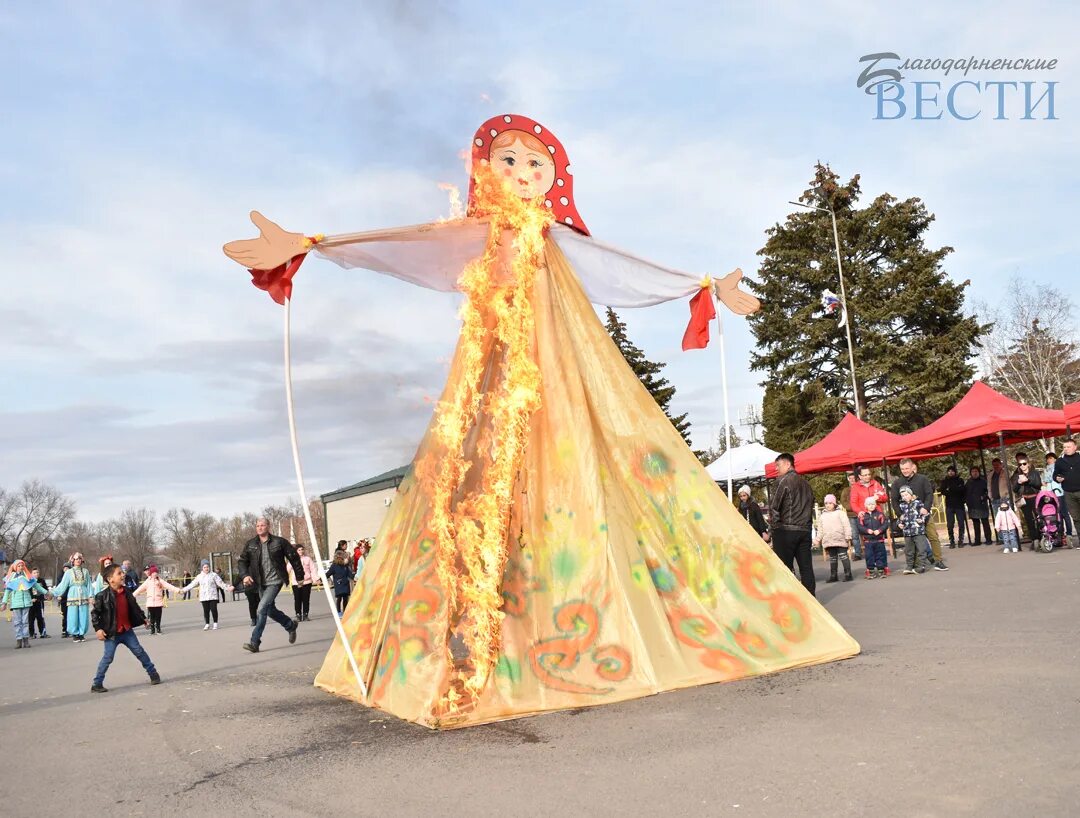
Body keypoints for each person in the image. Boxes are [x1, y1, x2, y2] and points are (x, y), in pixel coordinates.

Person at [90, 564, 160, 693]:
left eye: (122, 573)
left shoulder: (126, 591)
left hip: (127, 631)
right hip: (111, 634)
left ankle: (153, 674)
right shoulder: (102, 596)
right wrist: (98, 629)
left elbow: (135, 607)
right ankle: (97, 683)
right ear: (110, 579)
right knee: (108, 658)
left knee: (139, 651)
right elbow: (95, 613)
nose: (123, 575)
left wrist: (143, 618)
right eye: (119, 573)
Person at [238, 517, 305, 653]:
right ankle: (290, 625)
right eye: (258, 526)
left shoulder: (279, 542)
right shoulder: (251, 544)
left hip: (275, 581)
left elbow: (294, 557)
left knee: (261, 609)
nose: (260, 528)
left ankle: (255, 642)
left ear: (268, 526)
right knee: (270, 610)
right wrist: (245, 575)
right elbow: (242, 561)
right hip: (260, 582)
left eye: (262, 525)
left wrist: (300, 577)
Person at [767, 453, 816, 596]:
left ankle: (787, 598)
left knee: (784, 568)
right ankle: (811, 598)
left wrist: (774, 529)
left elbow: (774, 506)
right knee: (806, 567)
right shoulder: (806, 484)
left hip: (786, 530)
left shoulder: (782, 481)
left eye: (778, 465)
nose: (776, 469)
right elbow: (810, 506)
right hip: (804, 530)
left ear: (788, 464)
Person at [890, 458, 948, 570]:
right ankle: (917, 564)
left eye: (907, 468)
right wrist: (900, 514)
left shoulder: (922, 479)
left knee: (933, 537)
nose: (905, 471)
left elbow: (929, 494)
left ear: (912, 467)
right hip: (908, 517)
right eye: (902, 469)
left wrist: (926, 508)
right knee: (912, 541)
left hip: (924, 515)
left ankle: (938, 561)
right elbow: (894, 500)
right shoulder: (897, 483)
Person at [1, 560, 51, 648]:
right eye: (19, 566)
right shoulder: (11, 578)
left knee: (25, 622)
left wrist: (46, 592)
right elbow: (7, 591)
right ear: (15, 567)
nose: (20, 567)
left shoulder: (27, 577)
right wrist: (4, 603)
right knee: (17, 622)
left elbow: (37, 586)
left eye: (22, 566)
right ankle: (19, 640)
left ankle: (26, 640)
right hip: (16, 604)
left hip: (26, 602)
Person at [51, 552, 95, 642]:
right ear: (73, 561)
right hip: (73, 595)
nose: (78, 560)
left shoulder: (85, 571)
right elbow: (62, 585)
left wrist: (91, 596)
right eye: (76, 559)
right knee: (73, 615)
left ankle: (81, 633)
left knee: (83, 615)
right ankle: (75, 633)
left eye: (79, 559)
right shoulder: (68, 572)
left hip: (83, 595)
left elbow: (89, 585)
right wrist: (52, 593)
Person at [179, 560, 232, 631]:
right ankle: (207, 624)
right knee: (206, 611)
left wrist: (227, 588)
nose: (206, 568)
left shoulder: (214, 575)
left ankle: (215, 623)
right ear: (202, 568)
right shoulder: (199, 576)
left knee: (214, 609)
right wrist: (184, 590)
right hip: (204, 596)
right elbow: (192, 584)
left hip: (213, 595)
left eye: (207, 567)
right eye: (204, 567)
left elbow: (220, 583)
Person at [814, 494, 852, 583]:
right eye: (826, 503)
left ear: (834, 504)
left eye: (830, 503)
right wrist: (817, 539)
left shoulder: (840, 513)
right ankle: (833, 575)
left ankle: (848, 574)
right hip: (829, 540)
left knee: (843, 556)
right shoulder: (822, 516)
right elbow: (820, 530)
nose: (828, 505)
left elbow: (846, 525)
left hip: (840, 538)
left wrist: (848, 536)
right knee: (833, 558)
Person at [134, 566, 182, 634]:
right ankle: (152, 630)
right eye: (153, 572)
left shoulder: (160, 581)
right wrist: (131, 596)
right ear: (151, 573)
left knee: (158, 617)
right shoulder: (147, 582)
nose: (155, 574)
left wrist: (178, 590)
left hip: (158, 602)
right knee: (152, 617)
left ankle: (158, 629)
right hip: (150, 602)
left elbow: (169, 586)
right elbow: (139, 589)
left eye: (156, 572)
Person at [897, 485, 933, 575]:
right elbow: (900, 518)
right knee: (909, 550)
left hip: (918, 531)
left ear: (910, 493)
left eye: (906, 495)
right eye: (903, 496)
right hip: (907, 531)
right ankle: (909, 566)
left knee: (921, 549)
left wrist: (922, 519)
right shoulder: (902, 506)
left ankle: (921, 566)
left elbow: (925, 513)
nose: (905, 497)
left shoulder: (918, 503)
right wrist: (899, 523)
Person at [1053, 439, 1080, 544]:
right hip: (1068, 493)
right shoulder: (1060, 461)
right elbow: (1055, 475)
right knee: (1076, 518)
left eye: (1068, 447)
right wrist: (1057, 478)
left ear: (1075, 447)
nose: (1066, 449)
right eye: (1064, 447)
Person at [1043, 452, 1075, 540]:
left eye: (1051, 458)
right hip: (1051, 494)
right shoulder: (1046, 469)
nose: (1049, 460)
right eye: (1048, 459)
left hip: (1060, 492)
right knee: (1057, 514)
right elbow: (1045, 481)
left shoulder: (1059, 467)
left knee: (1064, 513)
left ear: (1055, 459)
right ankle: (1060, 534)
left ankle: (1069, 533)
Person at [857, 497, 889, 579]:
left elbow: (885, 524)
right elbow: (860, 526)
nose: (871, 506)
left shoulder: (880, 514)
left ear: (875, 505)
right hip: (868, 541)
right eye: (869, 504)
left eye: (872, 504)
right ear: (865, 505)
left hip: (879, 540)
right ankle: (871, 571)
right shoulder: (862, 516)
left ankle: (881, 570)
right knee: (869, 556)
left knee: (880, 555)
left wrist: (879, 530)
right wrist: (867, 530)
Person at [939, 466, 968, 548]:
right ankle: (951, 540)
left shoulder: (960, 480)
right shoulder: (945, 481)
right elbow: (943, 491)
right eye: (949, 471)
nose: (950, 472)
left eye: (952, 471)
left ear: (955, 472)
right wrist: (953, 490)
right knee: (950, 524)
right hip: (949, 505)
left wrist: (951, 489)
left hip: (959, 504)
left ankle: (961, 540)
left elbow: (962, 490)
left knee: (961, 523)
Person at [288, 543, 317, 622]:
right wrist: (285, 579)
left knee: (306, 599)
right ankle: (298, 614)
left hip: (307, 582)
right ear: (296, 551)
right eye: (299, 550)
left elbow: (313, 569)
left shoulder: (308, 559)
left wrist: (315, 579)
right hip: (296, 582)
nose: (301, 551)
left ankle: (305, 614)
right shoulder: (292, 559)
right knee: (297, 599)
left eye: (302, 549)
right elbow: (287, 570)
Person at [838, 472, 863, 560]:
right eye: (850, 478)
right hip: (851, 515)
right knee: (855, 535)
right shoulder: (846, 490)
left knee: (866, 533)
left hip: (861, 514)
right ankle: (858, 554)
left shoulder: (860, 488)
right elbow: (843, 502)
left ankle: (869, 551)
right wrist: (853, 507)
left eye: (854, 478)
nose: (852, 480)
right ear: (848, 479)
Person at [964, 466, 991, 546]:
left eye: (976, 471)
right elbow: (966, 493)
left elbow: (988, 491)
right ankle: (977, 540)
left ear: (979, 472)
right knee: (976, 524)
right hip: (972, 505)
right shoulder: (968, 482)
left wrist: (984, 497)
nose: (975, 473)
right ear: (971, 473)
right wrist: (967, 501)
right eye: (973, 471)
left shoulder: (983, 481)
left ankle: (988, 539)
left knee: (985, 523)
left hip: (982, 504)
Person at [989, 457, 1010, 539]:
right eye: (994, 465)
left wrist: (1008, 495)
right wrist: (990, 496)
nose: (996, 466)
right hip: (995, 499)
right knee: (998, 519)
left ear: (1001, 465)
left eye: (997, 465)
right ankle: (1001, 537)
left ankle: (1010, 535)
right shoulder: (991, 474)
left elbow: (1010, 485)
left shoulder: (1005, 473)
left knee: (1006, 518)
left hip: (1004, 498)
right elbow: (989, 485)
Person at [27, 567, 51, 639]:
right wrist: (31, 598)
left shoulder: (41, 581)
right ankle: (31, 634)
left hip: (39, 602)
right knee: (31, 619)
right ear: (31, 574)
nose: (36, 574)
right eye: (34, 573)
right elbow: (27, 591)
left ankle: (43, 632)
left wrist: (47, 596)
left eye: (37, 572)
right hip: (31, 603)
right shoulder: (29, 581)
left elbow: (45, 589)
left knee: (40, 618)